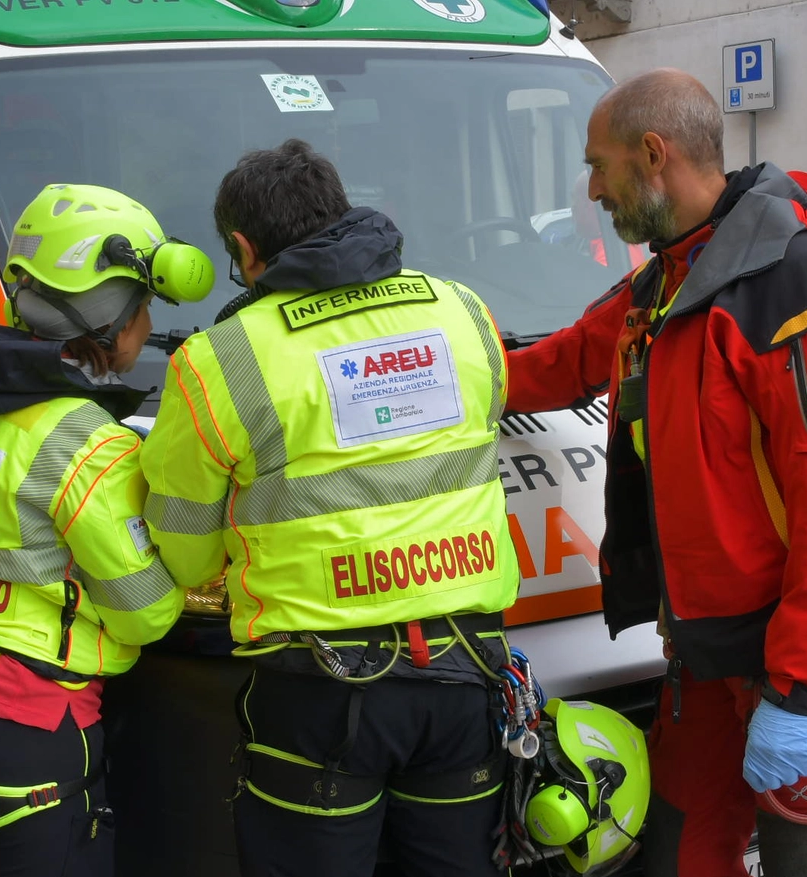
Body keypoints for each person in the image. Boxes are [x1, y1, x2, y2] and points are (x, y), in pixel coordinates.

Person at [504, 70, 807, 877]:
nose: (591, 189)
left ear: (653, 154)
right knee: (681, 853)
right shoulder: (668, 280)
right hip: (710, 653)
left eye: (599, 166)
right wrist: (437, 367)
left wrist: (799, 689)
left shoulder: (795, 280)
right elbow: (558, 363)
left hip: (800, 658)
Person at [139, 139, 520, 877]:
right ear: (340, 212)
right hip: (467, 674)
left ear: (246, 249)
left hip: (317, 693)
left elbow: (184, 553)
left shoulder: (221, 357)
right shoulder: (463, 311)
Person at [0, 184, 213, 877]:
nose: (150, 322)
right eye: (143, 304)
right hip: (22, 729)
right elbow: (147, 610)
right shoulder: (86, 444)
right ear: (106, 312)